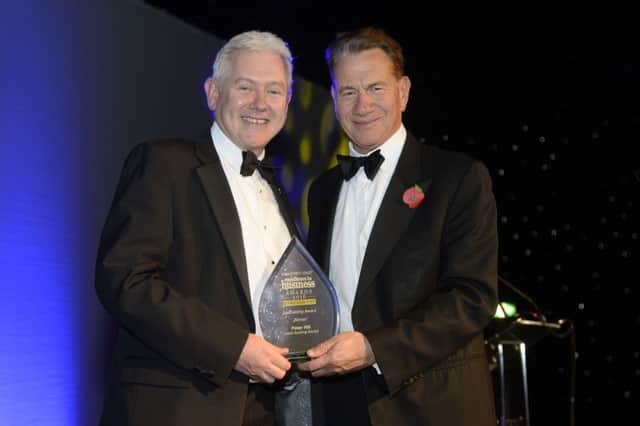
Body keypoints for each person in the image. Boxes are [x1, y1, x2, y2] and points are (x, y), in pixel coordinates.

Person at [95, 31, 300, 426]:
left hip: (264, 410)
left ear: (288, 103)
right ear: (212, 93)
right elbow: (125, 280)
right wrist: (233, 347)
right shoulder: (163, 163)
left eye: (274, 91)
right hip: (177, 408)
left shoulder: (278, 191)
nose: (260, 103)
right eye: (245, 87)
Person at [299, 27, 499, 426]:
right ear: (334, 101)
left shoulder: (457, 177)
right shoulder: (321, 191)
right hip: (339, 404)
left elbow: (471, 297)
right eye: (348, 91)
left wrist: (374, 348)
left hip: (430, 406)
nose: (362, 105)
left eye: (375, 88)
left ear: (403, 92)